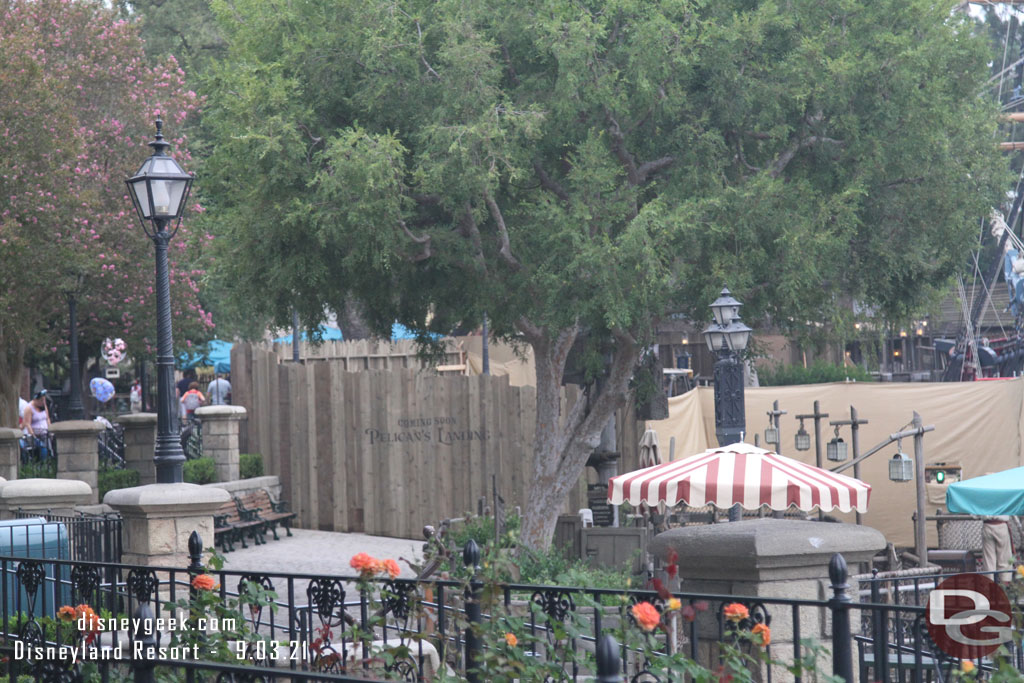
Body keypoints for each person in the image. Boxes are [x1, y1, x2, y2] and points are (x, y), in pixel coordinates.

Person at [981, 515, 1014, 582]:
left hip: (987, 524)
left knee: (988, 560)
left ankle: (989, 585)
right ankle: (1005, 584)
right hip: (1001, 525)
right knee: (1004, 559)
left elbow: (975, 514)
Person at [22, 390, 51, 459]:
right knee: (43, 448)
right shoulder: (29, 408)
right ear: (35, 399)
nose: (43, 402)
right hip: (36, 435)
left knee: (49, 448)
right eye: (41, 400)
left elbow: (47, 418)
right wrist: (33, 436)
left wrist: (50, 429)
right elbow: (27, 424)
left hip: (45, 433)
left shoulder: (43, 406)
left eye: (44, 400)